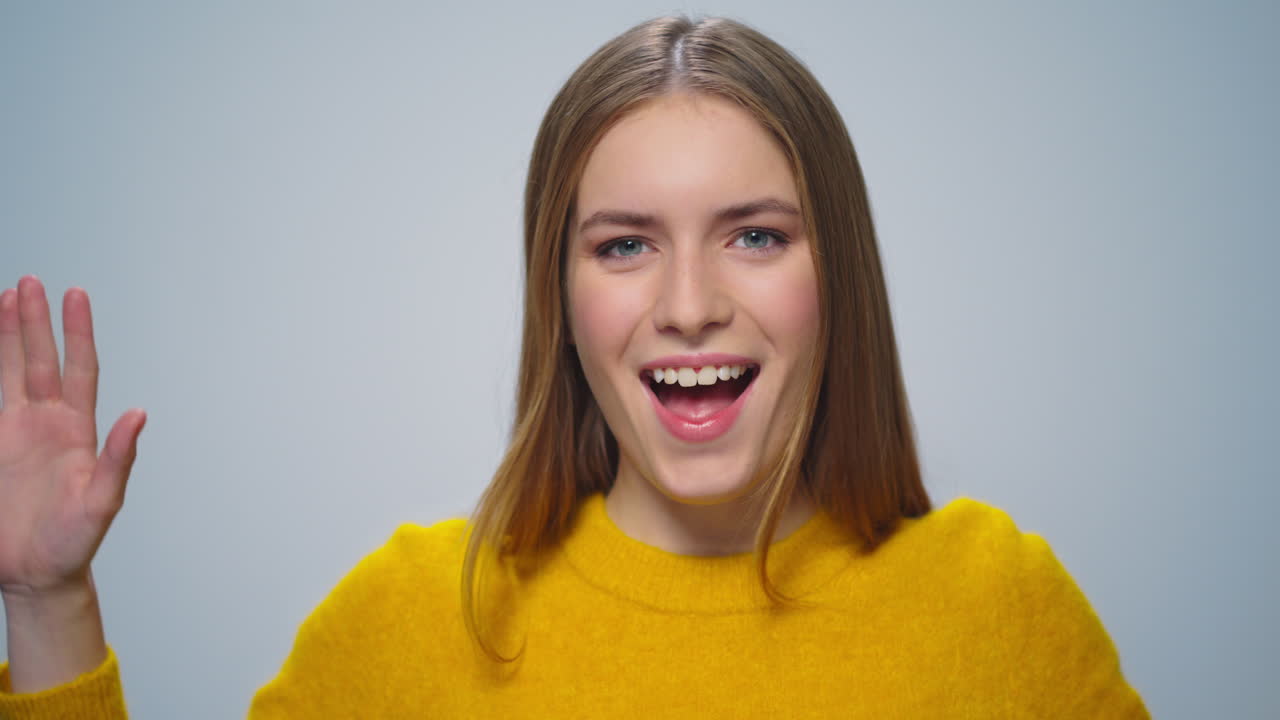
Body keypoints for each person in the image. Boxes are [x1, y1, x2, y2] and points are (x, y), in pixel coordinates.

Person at [0, 14, 1149, 718]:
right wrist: (50, 606)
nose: (689, 306)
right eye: (623, 246)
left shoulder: (996, 608)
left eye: (754, 235)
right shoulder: (412, 623)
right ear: (559, 292)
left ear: (833, 270)